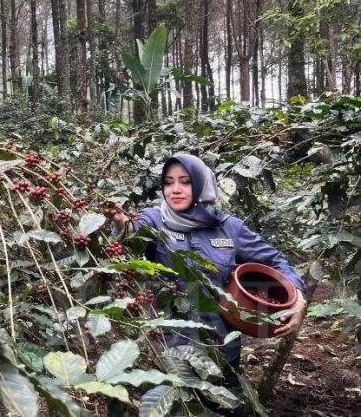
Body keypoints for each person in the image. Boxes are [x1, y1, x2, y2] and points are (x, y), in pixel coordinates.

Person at [101, 153, 307, 369]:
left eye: (185, 182)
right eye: (168, 183)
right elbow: (132, 231)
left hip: (220, 344)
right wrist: (120, 220)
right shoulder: (154, 219)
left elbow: (275, 261)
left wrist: (298, 299)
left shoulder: (229, 227)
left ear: (202, 184)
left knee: (223, 388)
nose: (175, 189)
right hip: (169, 344)